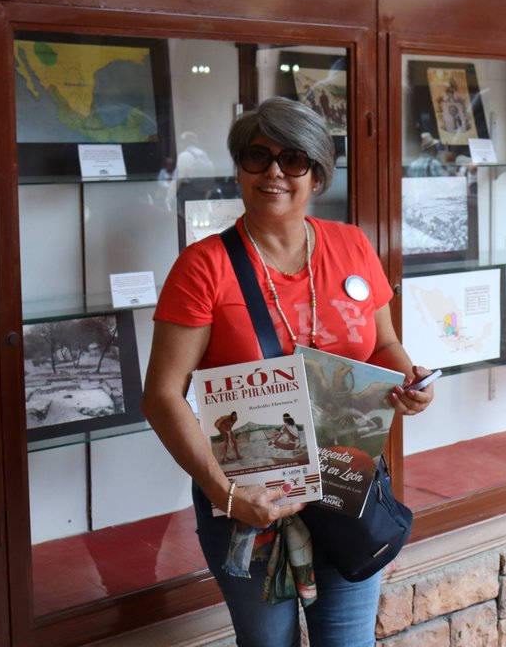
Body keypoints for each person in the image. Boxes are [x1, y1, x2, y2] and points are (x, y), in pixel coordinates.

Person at [142, 97, 435, 647]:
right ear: (239, 168)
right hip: (250, 505)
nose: (273, 171)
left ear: (317, 174)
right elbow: (161, 395)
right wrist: (227, 496)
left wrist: (408, 381)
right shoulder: (203, 267)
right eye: (258, 156)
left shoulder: (351, 245)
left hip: (347, 489)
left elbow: (385, 344)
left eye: (293, 159)